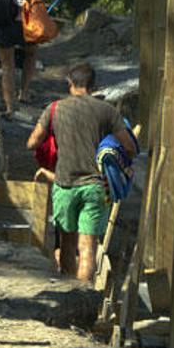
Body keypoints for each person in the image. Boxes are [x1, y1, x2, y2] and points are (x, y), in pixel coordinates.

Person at [27, 63, 136, 282]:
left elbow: (31, 142)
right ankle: (85, 297)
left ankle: (70, 297)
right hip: (95, 187)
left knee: (67, 243)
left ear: (69, 83)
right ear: (94, 85)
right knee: (88, 247)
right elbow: (130, 147)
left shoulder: (55, 109)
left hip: (64, 185)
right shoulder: (107, 111)